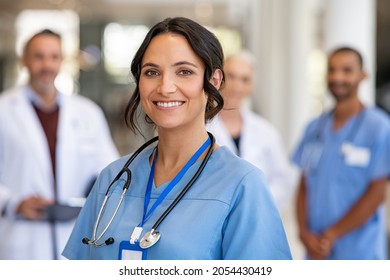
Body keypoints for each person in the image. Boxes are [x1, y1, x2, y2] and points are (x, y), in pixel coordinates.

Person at [62, 17, 292, 260]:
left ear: (213, 81)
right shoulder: (113, 179)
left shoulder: (243, 185)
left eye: (184, 72)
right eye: (152, 72)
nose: (165, 87)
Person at [0, 29, 119, 259]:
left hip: (74, 233)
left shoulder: (87, 113)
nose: (47, 65)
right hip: (20, 239)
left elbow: (109, 169)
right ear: (24, 60)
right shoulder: (3, 110)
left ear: (61, 61)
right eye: (39, 56)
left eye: (53, 57)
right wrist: (11, 203)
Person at [292, 46, 390, 260]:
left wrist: (331, 235)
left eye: (347, 70)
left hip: (360, 253)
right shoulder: (314, 128)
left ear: (363, 76)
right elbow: (303, 185)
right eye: (332, 69)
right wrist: (303, 234)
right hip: (316, 251)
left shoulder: (380, 127)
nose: (338, 77)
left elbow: (377, 194)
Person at [207, 50, 293, 212]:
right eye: (231, 76)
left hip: (258, 215)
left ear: (251, 86)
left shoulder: (266, 132)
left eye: (245, 79)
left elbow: (282, 180)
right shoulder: (201, 128)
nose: (237, 86)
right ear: (218, 79)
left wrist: (259, 205)